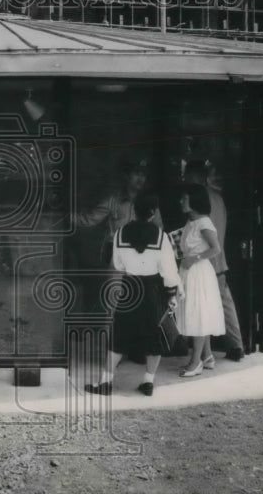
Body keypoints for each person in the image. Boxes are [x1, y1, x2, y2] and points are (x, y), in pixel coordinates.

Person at [84, 193, 183, 397]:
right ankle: (148, 382)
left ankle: (106, 382)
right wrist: (172, 294)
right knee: (154, 335)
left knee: (119, 335)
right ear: (153, 212)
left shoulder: (120, 233)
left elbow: (118, 265)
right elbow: (169, 272)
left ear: (134, 211)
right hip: (153, 289)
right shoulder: (161, 236)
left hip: (129, 287)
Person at [184, 160, 246, 361]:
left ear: (196, 178)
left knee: (204, 306)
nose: (185, 180)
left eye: (188, 176)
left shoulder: (200, 201)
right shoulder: (218, 198)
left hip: (206, 262)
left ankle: (209, 351)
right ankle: (233, 345)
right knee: (223, 302)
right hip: (219, 260)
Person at [175, 183, 225, 377]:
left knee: (198, 315)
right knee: (199, 313)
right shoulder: (191, 221)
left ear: (195, 201)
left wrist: (194, 258)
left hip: (199, 273)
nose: (181, 201)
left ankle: (195, 362)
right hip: (190, 272)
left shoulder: (204, 223)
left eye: (185, 198)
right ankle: (208, 356)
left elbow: (216, 249)